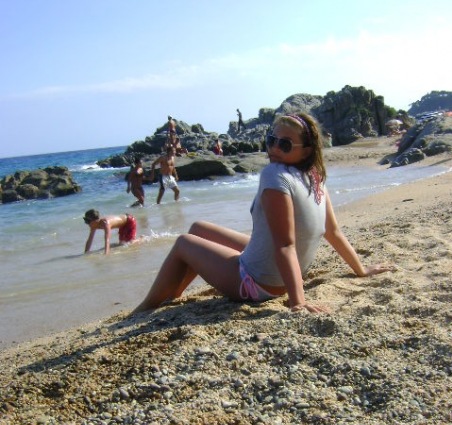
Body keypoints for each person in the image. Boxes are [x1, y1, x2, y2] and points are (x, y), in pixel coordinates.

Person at [133, 112, 394, 314]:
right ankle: (171, 296)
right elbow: (333, 232)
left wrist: (298, 302)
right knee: (198, 229)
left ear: (306, 150)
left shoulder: (274, 175)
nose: (274, 149)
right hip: (282, 272)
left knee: (183, 243)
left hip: (257, 284)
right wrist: (361, 270)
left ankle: (145, 307)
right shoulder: (316, 178)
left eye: (285, 144)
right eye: (271, 140)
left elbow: (285, 245)